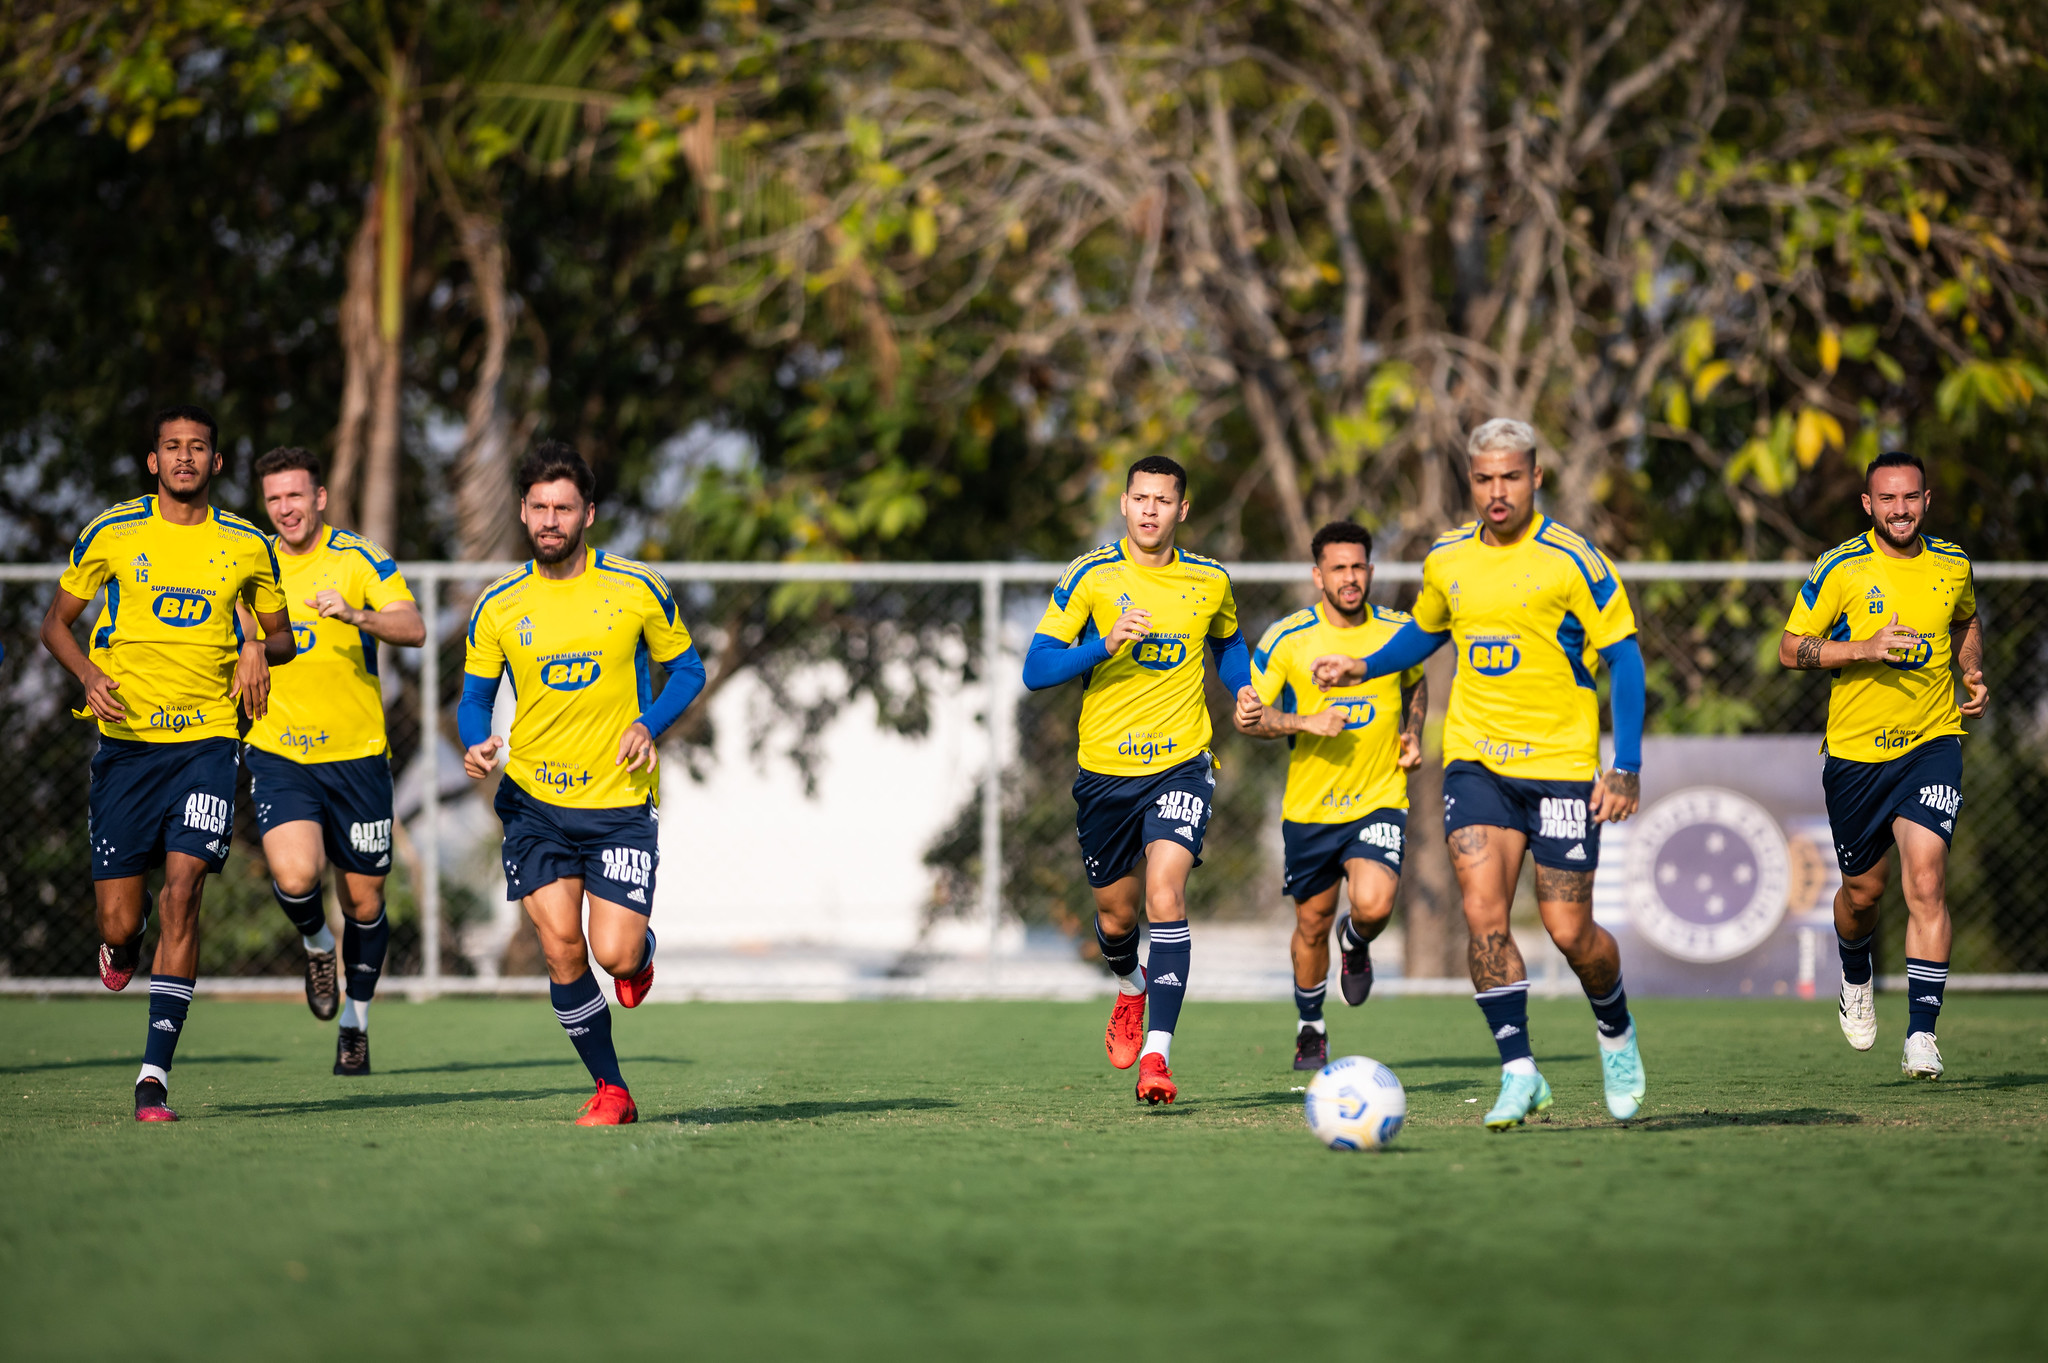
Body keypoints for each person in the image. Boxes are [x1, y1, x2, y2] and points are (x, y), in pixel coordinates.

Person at [1311, 418, 1648, 1129]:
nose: (1498, 492)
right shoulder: (1447, 558)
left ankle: (1615, 1032)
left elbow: (1625, 659)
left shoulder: (1573, 560)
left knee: (1569, 929)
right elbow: (1426, 629)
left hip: (1560, 768)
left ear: (1536, 478)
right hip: (1476, 762)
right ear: (1472, 480)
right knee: (1482, 913)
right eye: (1485, 478)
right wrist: (1362, 664)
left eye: (1512, 477)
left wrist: (1625, 766)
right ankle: (1519, 1070)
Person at [38, 405, 295, 1121]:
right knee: (122, 923)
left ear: (216, 463)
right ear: (153, 460)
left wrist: (254, 647)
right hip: (125, 746)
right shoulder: (113, 531)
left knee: (184, 891)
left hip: (209, 742)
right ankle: (122, 943)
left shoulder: (246, 544)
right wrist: (88, 675)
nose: (185, 457)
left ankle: (154, 1074)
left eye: (199, 448)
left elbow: (284, 640)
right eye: (171, 447)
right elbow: (54, 622)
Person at [458, 442, 705, 1126]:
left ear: (588, 514)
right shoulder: (499, 604)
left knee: (614, 951)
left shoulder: (638, 589)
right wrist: (474, 740)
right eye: (538, 506)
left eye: (563, 507)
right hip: (534, 801)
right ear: (521, 511)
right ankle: (612, 1088)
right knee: (561, 944)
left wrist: (648, 724)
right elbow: (474, 699)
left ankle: (640, 957)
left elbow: (689, 672)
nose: (549, 519)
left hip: (620, 802)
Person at [1022, 454, 1252, 1105]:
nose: (1151, 509)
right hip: (1105, 775)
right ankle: (1129, 985)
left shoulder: (1210, 580)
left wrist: (1245, 689)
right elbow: (1036, 668)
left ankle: (1158, 1055)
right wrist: (1103, 644)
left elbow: (1230, 645)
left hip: (1182, 764)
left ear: (1183, 510)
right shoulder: (1092, 574)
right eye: (1141, 497)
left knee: (1165, 895)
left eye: (1164, 499)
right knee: (1117, 919)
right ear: (1124, 504)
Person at [1779, 451, 1985, 1079]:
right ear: (1869, 505)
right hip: (1856, 756)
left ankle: (1922, 1033)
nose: (1901, 510)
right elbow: (1791, 649)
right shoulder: (1841, 566)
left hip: (1932, 742)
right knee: (1863, 896)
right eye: (1887, 499)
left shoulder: (1953, 565)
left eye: (1911, 497)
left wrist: (1970, 670)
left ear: (1928, 500)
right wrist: (1862, 648)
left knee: (1926, 880)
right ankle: (1854, 970)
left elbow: (1966, 619)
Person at [238, 447, 424, 1075]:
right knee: (295, 878)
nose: (285, 509)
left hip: (358, 757)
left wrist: (359, 615)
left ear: (319, 497)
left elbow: (414, 625)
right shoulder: (249, 560)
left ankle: (356, 1022)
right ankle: (318, 945)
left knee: (366, 904)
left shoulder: (361, 558)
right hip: (280, 750)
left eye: (296, 496)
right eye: (274, 499)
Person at [1233, 522, 1425, 1071]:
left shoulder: (1398, 629)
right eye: (1338, 568)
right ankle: (1311, 1027)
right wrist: (1304, 720)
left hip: (1379, 797)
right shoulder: (1286, 638)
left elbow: (1415, 680)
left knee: (1374, 904)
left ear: (1371, 570)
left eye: (1359, 566)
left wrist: (1413, 731)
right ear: (1318, 575)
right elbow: (1249, 717)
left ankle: (1357, 939)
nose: (1350, 577)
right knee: (1311, 925)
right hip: (1311, 809)